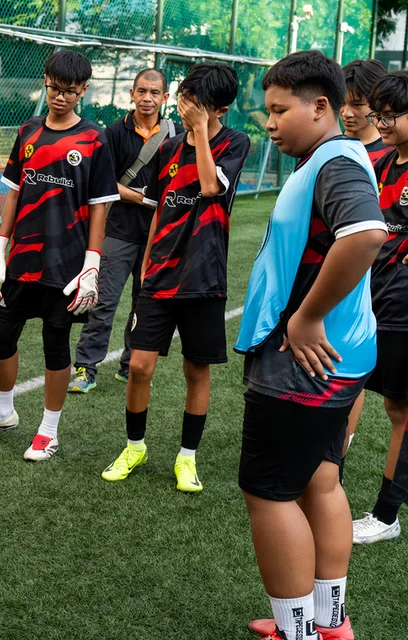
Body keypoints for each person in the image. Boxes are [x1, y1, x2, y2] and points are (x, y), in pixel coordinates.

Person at [237, 50, 387, 640]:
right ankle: (329, 622)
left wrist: (306, 316)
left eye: (279, 110)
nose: (269, 123)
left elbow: (366, 235)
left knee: (269, 494)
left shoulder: (334, 161)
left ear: (321, 106)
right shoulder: (336, 158)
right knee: (320, 483)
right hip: (341, 360)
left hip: (302, 364)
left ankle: (296, 632)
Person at [0, 50, 119, 461]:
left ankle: (49, 431)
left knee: (54, 340)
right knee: (2, 335)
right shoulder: (28, 131)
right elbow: (14, 191)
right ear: (44, 80)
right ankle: (3, 412)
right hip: (24, 258)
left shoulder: (94, 138)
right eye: (53, 88)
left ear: (83, 90)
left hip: (66, 263)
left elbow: (100, 205)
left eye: (69, 91)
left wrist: (93, 263)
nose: (60, 97)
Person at [100, 63, 249, 492]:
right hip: (159, 276)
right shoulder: (165, 150)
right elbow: (162, 210)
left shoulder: (236, 143)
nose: (183, 108)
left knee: (195, 371)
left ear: (218, 107)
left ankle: (187, 458)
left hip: (203, 278)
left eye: (193, 103)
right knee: (140, 367)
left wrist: (201, 130)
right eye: (183, 99)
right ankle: (135, 446)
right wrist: (146, 264)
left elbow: (208, 187)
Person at [68, 68, 177, 393]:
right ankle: (85, 368)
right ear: (131, 93)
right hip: (117, 232)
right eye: (141, 91)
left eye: (154, 93)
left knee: (145, 306)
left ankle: (131, 366)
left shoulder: (176, 134)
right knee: (103, 303)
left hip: (159, 235)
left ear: (165, 98)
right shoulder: (113, 133)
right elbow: (100, 182)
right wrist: (142, 198)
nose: (147, 98)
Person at [344, 71, 408, 545]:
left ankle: (386, 515)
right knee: (387, 402)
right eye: (378, 114)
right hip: (371, 298)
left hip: (403, 308)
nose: (381, 123)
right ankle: (327, 479)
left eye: (391, 115)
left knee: (403, 409)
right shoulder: (383, 163)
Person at [336, 59, 391, 479]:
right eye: (344, 103)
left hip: (383, 284)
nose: (350, 112)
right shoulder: (338, 149)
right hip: (342, 278)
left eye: (359, 104)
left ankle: (337, 451)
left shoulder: (391, 154)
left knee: (357, 372)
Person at [341, 59, 391, 165]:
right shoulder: (327, 147)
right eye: (342, 103)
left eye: (357, 105)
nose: (346, 113)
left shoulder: (393, 154)